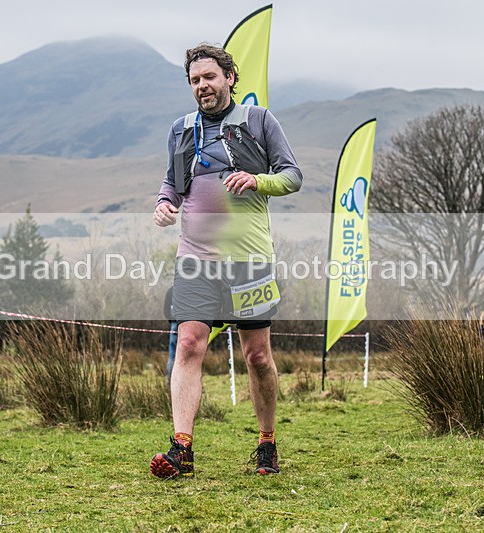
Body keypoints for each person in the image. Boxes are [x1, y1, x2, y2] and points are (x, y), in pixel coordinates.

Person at [150, 43, 302, 478]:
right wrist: (164, 203)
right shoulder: (181, 129)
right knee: (189, 343)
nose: (202, 86)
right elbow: (171, 182)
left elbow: (293, 176)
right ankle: (182, 448)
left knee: (256, 356)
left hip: (249, 259)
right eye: (195, 80)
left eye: (210, 78)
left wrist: (257, 180)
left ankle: (267, 444)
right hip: (195, 259)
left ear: (230, 78)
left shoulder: (258, 121)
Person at [164, 287, 178, 385]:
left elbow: (166, 309)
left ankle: (169, 382)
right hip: (186, 323)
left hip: (174, 323)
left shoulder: (170, 290)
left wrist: (171, 320)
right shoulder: (188, 288)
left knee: (172, 355)